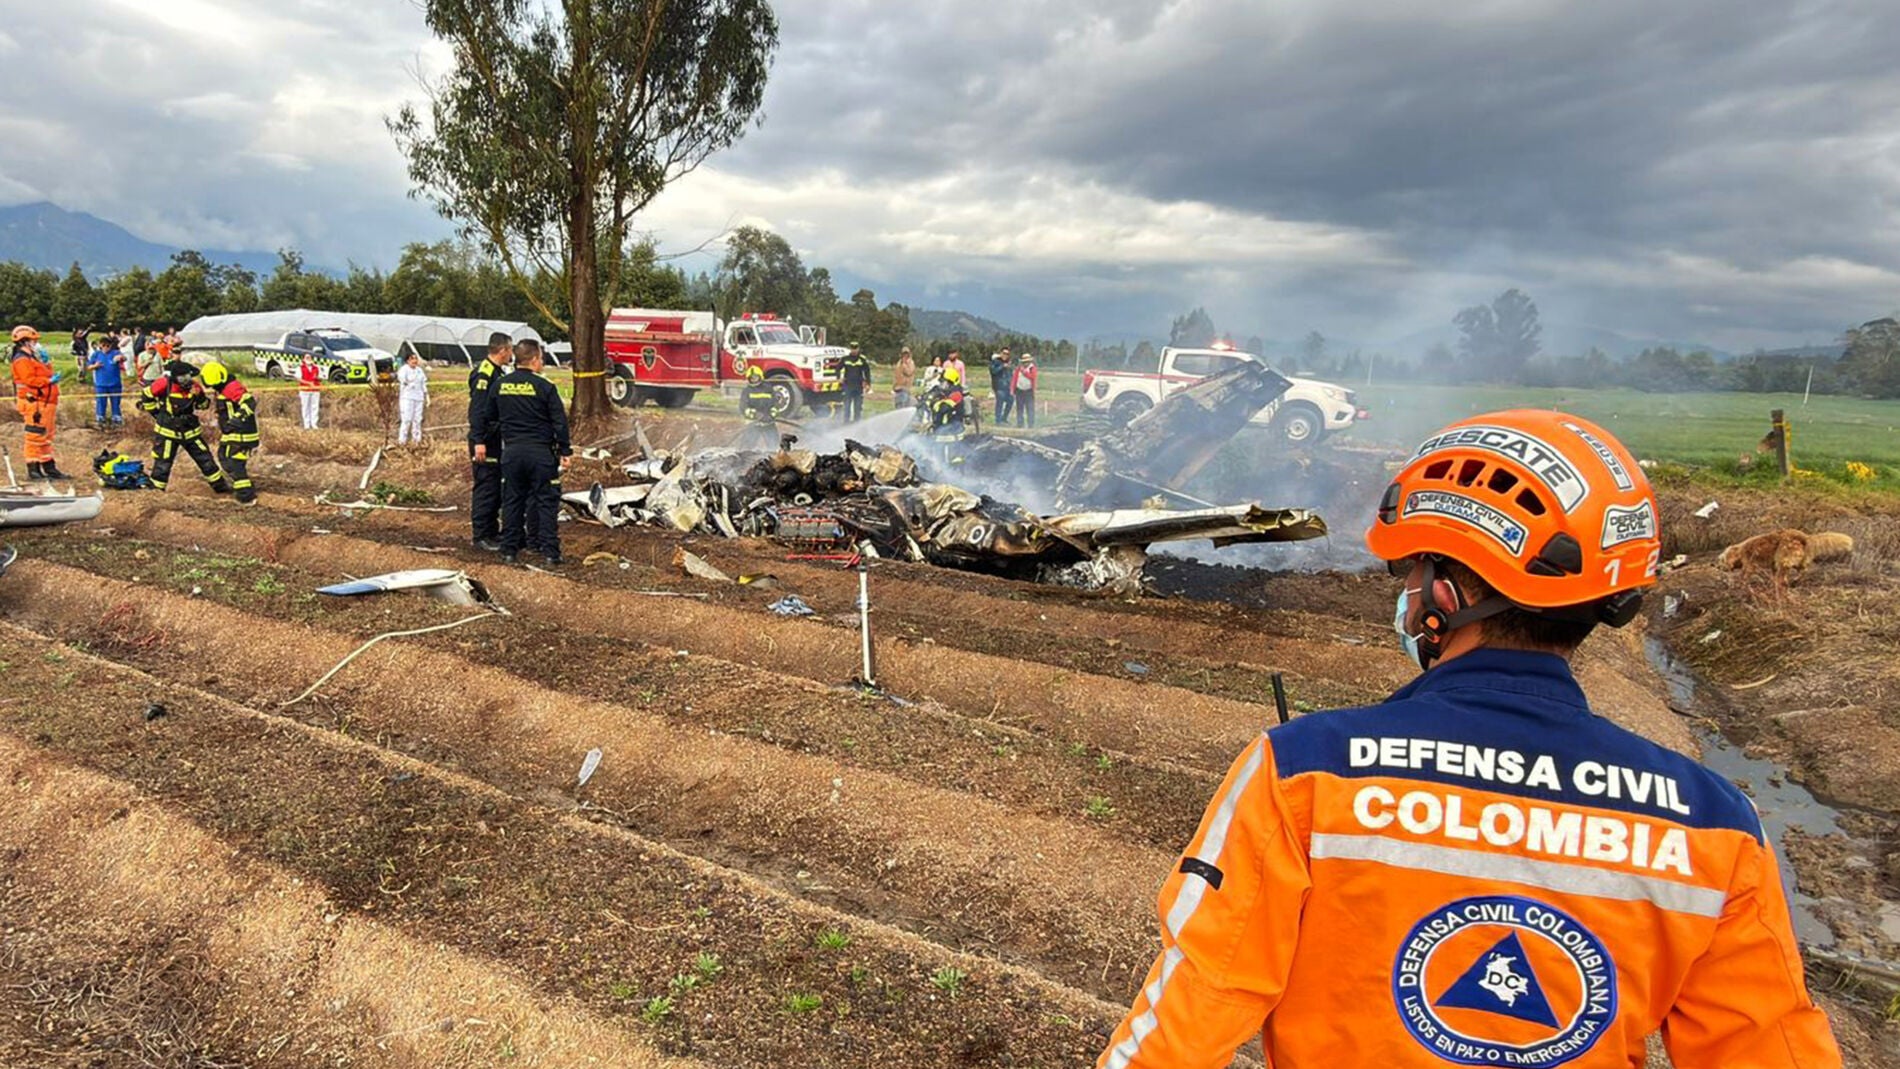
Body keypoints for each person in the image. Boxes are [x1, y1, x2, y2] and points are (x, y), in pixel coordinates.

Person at [1098, 409, 1843, 1069]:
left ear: (1447, 595)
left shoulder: (1304, 774)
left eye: (1413, 569)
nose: (1406, 591)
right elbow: (1770, 1044)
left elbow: (1184, 1019)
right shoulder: (1713, 824)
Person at [473, 339, 569, 566]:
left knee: (512, 501)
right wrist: (565, 450)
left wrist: (482, 438)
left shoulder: (500, 385)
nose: (542, 363)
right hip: (540, 453)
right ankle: (550, 553)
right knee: (546, 501)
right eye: (542, 359)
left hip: (512, 453)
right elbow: (560, 422)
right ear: (535, 359)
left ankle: (509, 550)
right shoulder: (545, 386)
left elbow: (488, 416)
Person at [136, 360, 229, 496]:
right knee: (163, 463)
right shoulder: (164, 384)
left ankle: (221, 488)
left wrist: (200, 396)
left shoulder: (195, 386)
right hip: (167, 432)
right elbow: (146, 396)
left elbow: (203, 406)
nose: (186, 380)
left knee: (206, 459)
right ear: (175, 377)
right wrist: (157, 414)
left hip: (190, 431)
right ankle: (156, 493)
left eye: (187, 376)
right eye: (182, 377)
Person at [466, 332, 512, 551]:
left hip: (494, 438)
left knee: (495, 486)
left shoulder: (496, 372)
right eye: (510, 350)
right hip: (484, 440)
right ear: (502, 350)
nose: (512, 355)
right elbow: (477, 411)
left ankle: (492, 531)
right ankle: (481, 535)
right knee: (486, 486)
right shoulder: (484, 375)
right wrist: (478, 441)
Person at [9, 326, 67, 480]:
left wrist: (47, 364)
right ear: (24, 342)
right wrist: (49, 381)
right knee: (35, 436)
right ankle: (33, 468)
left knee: (46, 436)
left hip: (44, 403)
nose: (36, 344)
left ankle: (48, 466)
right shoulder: (21, 360)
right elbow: (30, 380)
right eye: (33, 341)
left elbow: (44, 373)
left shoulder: (31, 358)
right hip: (34, 404)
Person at [199, 361, 258, 504]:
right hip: (231, 433)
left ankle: (246, 496)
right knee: (223, 456)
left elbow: (249, 402)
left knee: (233, 461)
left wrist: (236, 420)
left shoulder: (232, 387)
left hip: (241, 433)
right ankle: (241, 483)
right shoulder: (223, 388)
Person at [87, 335, 127, 427]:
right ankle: (101, 418)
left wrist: (120, 358)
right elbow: (89, 366)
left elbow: (124, 358)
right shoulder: (96, 354)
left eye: (108, 345)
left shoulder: (115, 352)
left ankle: (116, 418)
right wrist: (95, 366)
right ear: (100, 345)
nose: (106, 347)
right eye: (103, 345)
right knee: (101, 402)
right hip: (101, 384)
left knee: (116, 402)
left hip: (115, 384)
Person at [396, 352, 429, 445]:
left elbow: (423, 383)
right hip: (407, 397)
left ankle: (416, 440)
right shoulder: (404, 370)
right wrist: (410, 384)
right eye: (412, 359)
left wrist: (427, 396)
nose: (414, 361)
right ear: (408, 360)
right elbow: (403, 380)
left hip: (419, 397)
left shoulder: (419, 371)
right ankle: (402, 441)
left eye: (416, 359)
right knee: (407, 419)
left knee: (417, 419)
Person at [838, 341, 871, 422]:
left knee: (858, 407)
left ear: (858, 349)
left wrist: (868, 383)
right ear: (850, 349)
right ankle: (846, 422)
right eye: (852, 348)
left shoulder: (862, 360)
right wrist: (839, 378)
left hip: (858, 386)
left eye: (855, 348)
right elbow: (837, 368)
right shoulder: (845, 359)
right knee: (847, 406)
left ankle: (857, 422)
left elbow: (867, 372)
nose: (854, 350)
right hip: (848, 386)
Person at [929, 365, 966, 434]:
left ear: (950, 382)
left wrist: (934, 401)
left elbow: (943, 408)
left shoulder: (956, 394)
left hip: (952, 429)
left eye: (943, 381)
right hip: (943, 427)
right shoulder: (944, 392)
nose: (941, 384)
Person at [296, 350, 322, 429]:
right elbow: (298, 378)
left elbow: (320, 377)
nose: (309, 358)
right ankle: (306, 425)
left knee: (315, 407)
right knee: (305, 407)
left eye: (310, 357)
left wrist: (318, 378)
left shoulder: (316, 368)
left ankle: (314, 424)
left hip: (315, 390)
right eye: (307, 357)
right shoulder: (300, 368)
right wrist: (308, 383)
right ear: (303, 359)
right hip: (305, 390)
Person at [1012, 352, 1038, 428]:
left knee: (1030, 408)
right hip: (1019, 390)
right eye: (1024, 361)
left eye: (1027, 361)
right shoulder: (1018, 369)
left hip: (1028, 391)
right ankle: (1020, 424)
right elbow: (1014, 379)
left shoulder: (1032, 368)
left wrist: (1024, 373)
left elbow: (1033, 377)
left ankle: (1031, 425)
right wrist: (1012, 389)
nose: (1025, 363)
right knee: (1019, 409)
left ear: (1030, 361)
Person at [989, 346, 1014, 423]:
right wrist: (1002, 366)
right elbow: (993, 371)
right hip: (998, 387)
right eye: (1004, 353)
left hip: (1008, 387)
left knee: (1011, 401)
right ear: (1000, 353)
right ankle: (998, 420)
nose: (1005, 355)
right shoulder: (995, 361)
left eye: (1007, 354)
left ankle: (1004, 418)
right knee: (1000, 403)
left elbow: (1011, 375)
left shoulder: (1009, 363)